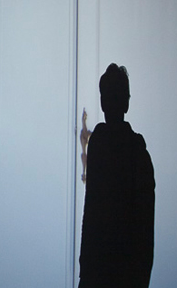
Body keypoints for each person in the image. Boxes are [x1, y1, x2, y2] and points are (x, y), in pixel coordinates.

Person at [78, 64, 155, 288]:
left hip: (98, 271)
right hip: (128, 273)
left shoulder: (99, 146)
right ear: (126, 102)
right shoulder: (138, 153)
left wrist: (85, 269)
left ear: (103, 102)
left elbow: (91, 213)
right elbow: (145, 228)